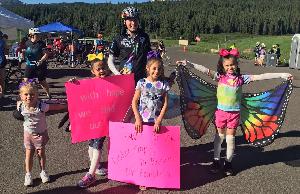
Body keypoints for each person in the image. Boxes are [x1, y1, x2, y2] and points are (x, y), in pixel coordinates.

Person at [176, 48, 293, 176]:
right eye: (227, 65)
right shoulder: (219, 77)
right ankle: (216, 161)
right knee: (219, 137)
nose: (230, 67)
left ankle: (228, 162)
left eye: (232, 64)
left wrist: (282, 74)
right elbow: (203, 69)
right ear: (222, 65)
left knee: (230, 139)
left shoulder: (241, 79)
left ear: (236, 64)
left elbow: (261, 76)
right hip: (220, 112)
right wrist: (187, 63)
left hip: (234, 114)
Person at [69, 55, 109, 188]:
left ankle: (91, 174)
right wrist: (74, 83)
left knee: (97, 144)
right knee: (91, 144)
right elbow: (80, 91)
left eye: (103, 68)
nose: (102, 70)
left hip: (103, 119)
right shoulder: (90, 83)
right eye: (99, 69)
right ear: (93, 71)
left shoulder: (111, 82)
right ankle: (96, 166)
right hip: (92, 119)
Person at [132, 52, 170, 190]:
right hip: (142, 122)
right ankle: (142, 177)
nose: (156, 71)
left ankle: (153, 175)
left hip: (155, 122)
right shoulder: (141, 83)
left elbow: (165, 104)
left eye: (159, 69)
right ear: (147, 68)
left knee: (154, 150)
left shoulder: (163, 84)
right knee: (143, 150)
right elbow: (134, 102)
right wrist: (137, 118)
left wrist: (159, 120)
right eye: (154, 68)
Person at [17, 81, 67, 186]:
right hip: (28, 134)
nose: (29, 96)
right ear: (21, 96)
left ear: (37, 96)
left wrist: (67, 106)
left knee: (41, 154)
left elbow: (56, 107)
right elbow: (17, 110)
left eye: (32, 94)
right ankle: (28, 174)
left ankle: (43, 171)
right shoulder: (21, 106)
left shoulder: (41, 106)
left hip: (40, 134)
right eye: (26, 94)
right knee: (29, 155)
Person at [108, 6, 151, 83]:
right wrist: (117, 74)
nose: (133, 23)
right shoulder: (118, 38)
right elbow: (110, 60)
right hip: (125, 80)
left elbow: (150, 57)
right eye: (130, 20)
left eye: (135, 19)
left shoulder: (144, 37)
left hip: (142, 80)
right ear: (124, 21)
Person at [24, 28, 51, 98]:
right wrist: (23, 54)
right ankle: (29, 95)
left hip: (40, 65)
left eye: (39, 34)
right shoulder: (27, 43)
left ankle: (48, 93)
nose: (39, 36)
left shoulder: (41, 43)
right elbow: (25, 51)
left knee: (42, 82)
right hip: (29, 64)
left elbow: (46, 54)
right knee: (26, 81)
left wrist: (41, 61)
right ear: (32, 35)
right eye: (37, 34)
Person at [0, 31, 7, 98]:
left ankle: (2, 92)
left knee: (2, 79)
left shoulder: (2, 41)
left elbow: (6, 49)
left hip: (1, 61)